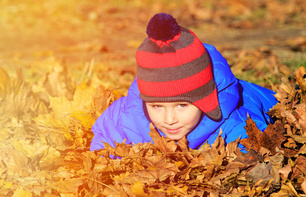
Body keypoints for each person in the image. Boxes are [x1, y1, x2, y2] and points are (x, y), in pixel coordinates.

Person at [90, 13, 278, 152]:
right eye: (156, 106)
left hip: (257, 97)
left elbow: (257, 153)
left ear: (205, 100)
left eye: (181, 105)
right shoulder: (126, 116)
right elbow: (102, 142)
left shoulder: (237, 125)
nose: (169, 120)